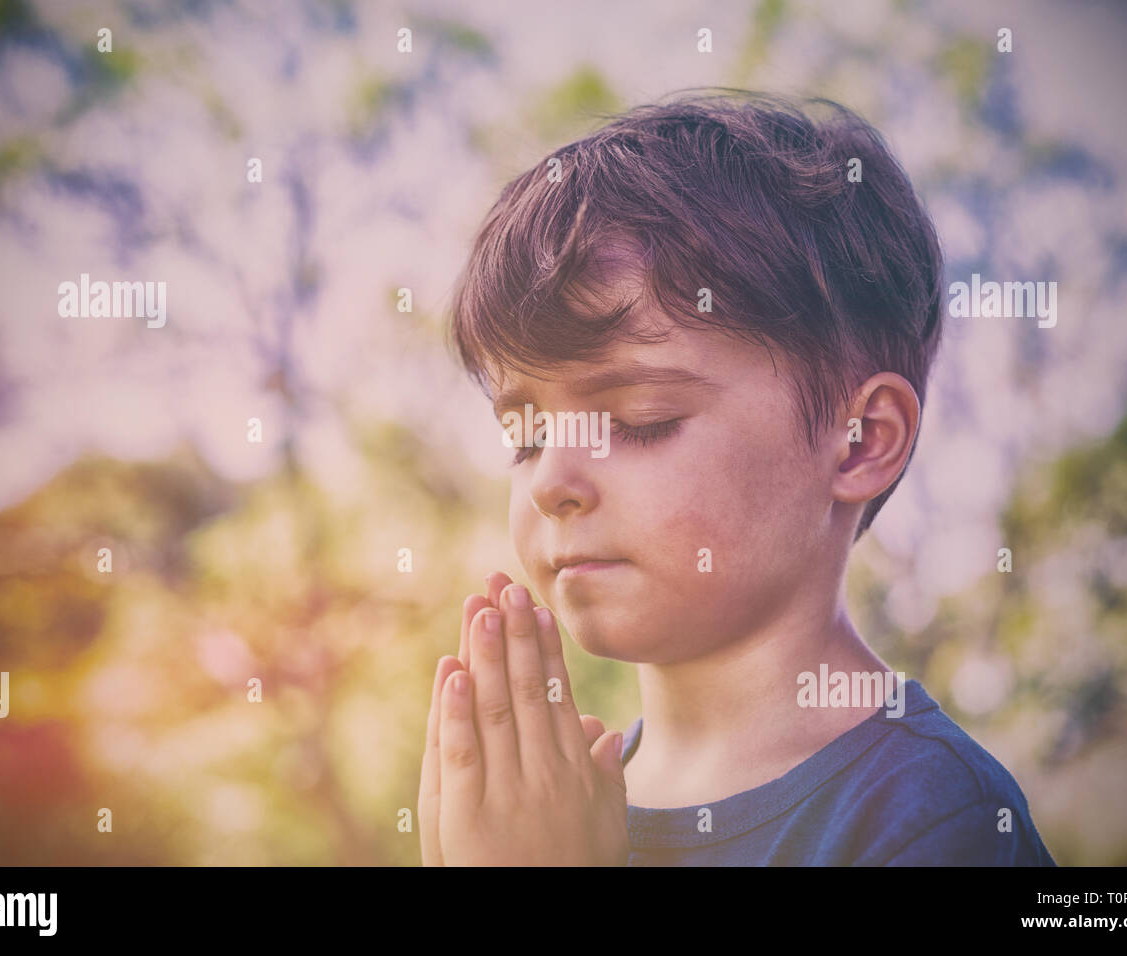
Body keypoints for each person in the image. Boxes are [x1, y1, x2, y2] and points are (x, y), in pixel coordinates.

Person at [418, 90, 1055, 866]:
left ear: (859, 443)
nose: (554, 480)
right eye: (525, 435)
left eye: (639, 419)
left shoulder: (932, 819)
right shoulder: (554, 810)